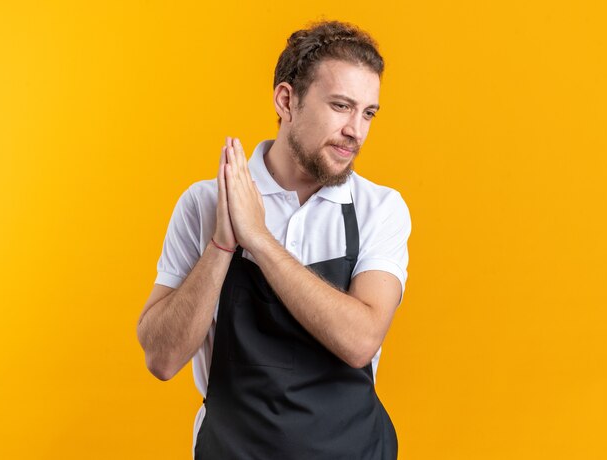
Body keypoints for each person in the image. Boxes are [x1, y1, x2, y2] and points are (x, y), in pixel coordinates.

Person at [137, 20, 411, 459]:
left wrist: (258, 240)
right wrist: (222, 246)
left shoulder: (380, 208)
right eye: (341, 106)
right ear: (287, 100)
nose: (356, 131)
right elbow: (162, 359)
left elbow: (361, 341)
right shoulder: (206, 203)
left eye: (368, 113)